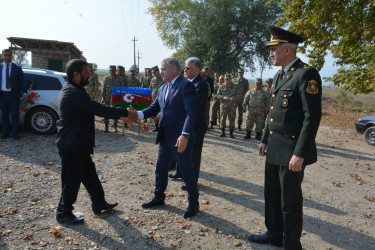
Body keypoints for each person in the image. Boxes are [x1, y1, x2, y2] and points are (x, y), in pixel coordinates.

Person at [247, 26, 322, 249]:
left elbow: (312, 118)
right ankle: (274, 233)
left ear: (287, 50)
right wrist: (263, 140)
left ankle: (291, 244)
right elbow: (273, 113)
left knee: (290, 202)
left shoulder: (306, 74)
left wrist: (300, 154)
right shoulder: (280, 74)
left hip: (291, 152)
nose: (270, 53)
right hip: (274, 149)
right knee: (271, 195)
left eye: (274, 49)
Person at [55, 59, 138, 225]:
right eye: (86, 71)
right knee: (71, 182)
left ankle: (99, 203)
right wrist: (124, 112)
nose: (89, 74)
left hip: (79, 145)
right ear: (76, 74)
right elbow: (98, 108)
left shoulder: (76, 89)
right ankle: (63, 213)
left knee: (91, 178)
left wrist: (120, 114)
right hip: (72, 145)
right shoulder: (73, 92)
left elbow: (95, 109)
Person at [132, 57, 199, 218]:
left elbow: (191, 112)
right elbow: (155, 107)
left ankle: (193, 204)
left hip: (180, 138)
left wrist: (185, 135)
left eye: (163, 69)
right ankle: (159, 197)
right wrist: (138, 115)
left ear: (174, 69)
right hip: (165, 136)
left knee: (186, 171)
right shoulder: (163, 88)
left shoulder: (186, 86)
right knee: (160, 168)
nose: (160, 72)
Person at [168, 57, 209, 187]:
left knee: (194, 153)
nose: (184, 70)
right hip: (185, 123)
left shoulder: (201, 84)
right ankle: (180, 172)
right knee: (182, 150)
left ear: (197, 69)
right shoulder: (188, 82)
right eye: (184, 68)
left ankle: (193, 180)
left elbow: (194, 105)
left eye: (188, 68)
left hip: (196, 125)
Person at [0, 49, 26, 140]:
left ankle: (15, 133)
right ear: (2, 56)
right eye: (5, 55)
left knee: (15, 115)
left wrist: (25, 92)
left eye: (9, 55)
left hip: (13, 96)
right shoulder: (0, 67)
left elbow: (22, 81)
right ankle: (5, 132)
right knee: (4, 115)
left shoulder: (17, 68)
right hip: (2, 96)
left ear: (12, 56)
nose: (7, 57)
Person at [102, 65, 121, 132]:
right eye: (110, 70)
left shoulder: (119, 79)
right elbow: (104, 88)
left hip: (116, 99)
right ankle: (106, 127)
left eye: (113, 70)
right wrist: (102, 97)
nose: (112, 72)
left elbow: (122, 90)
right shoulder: (106, 78)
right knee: (106, 112)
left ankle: (115, 126)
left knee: (115, 112)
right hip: (107, 98)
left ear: (115, 71)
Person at [217, 74, 237, 138]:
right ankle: (223, 132)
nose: (226, 80)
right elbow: (218, 95)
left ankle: (231, 133)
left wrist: (233, 98)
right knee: (223, 119)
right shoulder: (221, 86)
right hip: (224, 105)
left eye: (228, 79)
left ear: (231, 79)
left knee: (232, 119)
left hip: (232, 106)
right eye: (225, 79)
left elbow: (238, 95)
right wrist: (223, 97)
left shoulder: (235, 86)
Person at [149, 65, 165, 132]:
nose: (154, 74)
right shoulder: (152, 80)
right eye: (153, 73)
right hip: (154, 99)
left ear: (158, 71)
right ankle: (156, 127)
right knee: (155, 113)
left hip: (162, 99)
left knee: (162, 113)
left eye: (155, 72)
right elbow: (150, 89)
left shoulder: (164, 79)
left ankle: (163, 127)